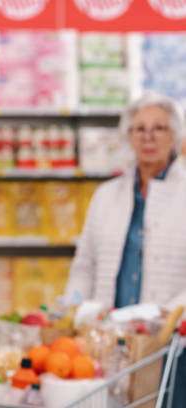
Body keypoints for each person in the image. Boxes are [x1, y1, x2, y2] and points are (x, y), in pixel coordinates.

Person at [65, 92, 186, 408]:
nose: (148, 137)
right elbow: (85, 263)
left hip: (170, 345)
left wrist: (169, 314)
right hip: (107, 342)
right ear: (128, 136)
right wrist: (78, 310)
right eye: (139, 128)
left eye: (159, 128)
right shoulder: (106, 195)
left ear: (175, 136)